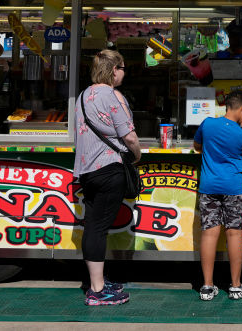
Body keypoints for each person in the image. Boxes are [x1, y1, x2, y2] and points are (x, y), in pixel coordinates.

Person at [74, 49, 141, 305]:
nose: (124, 73)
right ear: (114, 70)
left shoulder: (83, 95)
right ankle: (97, 290)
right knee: (98, 229)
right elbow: (129, 136)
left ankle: (97, 281)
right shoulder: (111, 95)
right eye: (123, 68)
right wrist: (136, 156)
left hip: (87, 170)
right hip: (108, 168)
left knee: (93, 226)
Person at [193, 90, 242, 301]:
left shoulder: (208, 124)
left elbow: (197, 146)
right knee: (234, 234)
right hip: (234, 187)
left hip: (208, 186)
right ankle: (235, 287)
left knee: (209, 234)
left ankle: (207, 286)